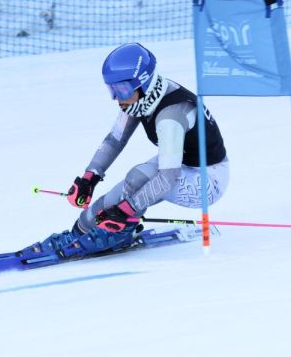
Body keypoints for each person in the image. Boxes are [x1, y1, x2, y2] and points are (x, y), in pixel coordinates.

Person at [36, 42, 229, 258]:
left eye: (122, 89)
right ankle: (79, 233)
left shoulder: (170, 116)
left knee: (136, 180)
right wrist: (90, 177)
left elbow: (167, 177)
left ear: (143, 84)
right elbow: (115, 140)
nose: (117, 98)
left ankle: (111, 233)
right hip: (183, 166)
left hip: (207, 182)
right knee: (122, 193)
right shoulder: (141, 98)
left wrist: (126, 210)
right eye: (112, 89)